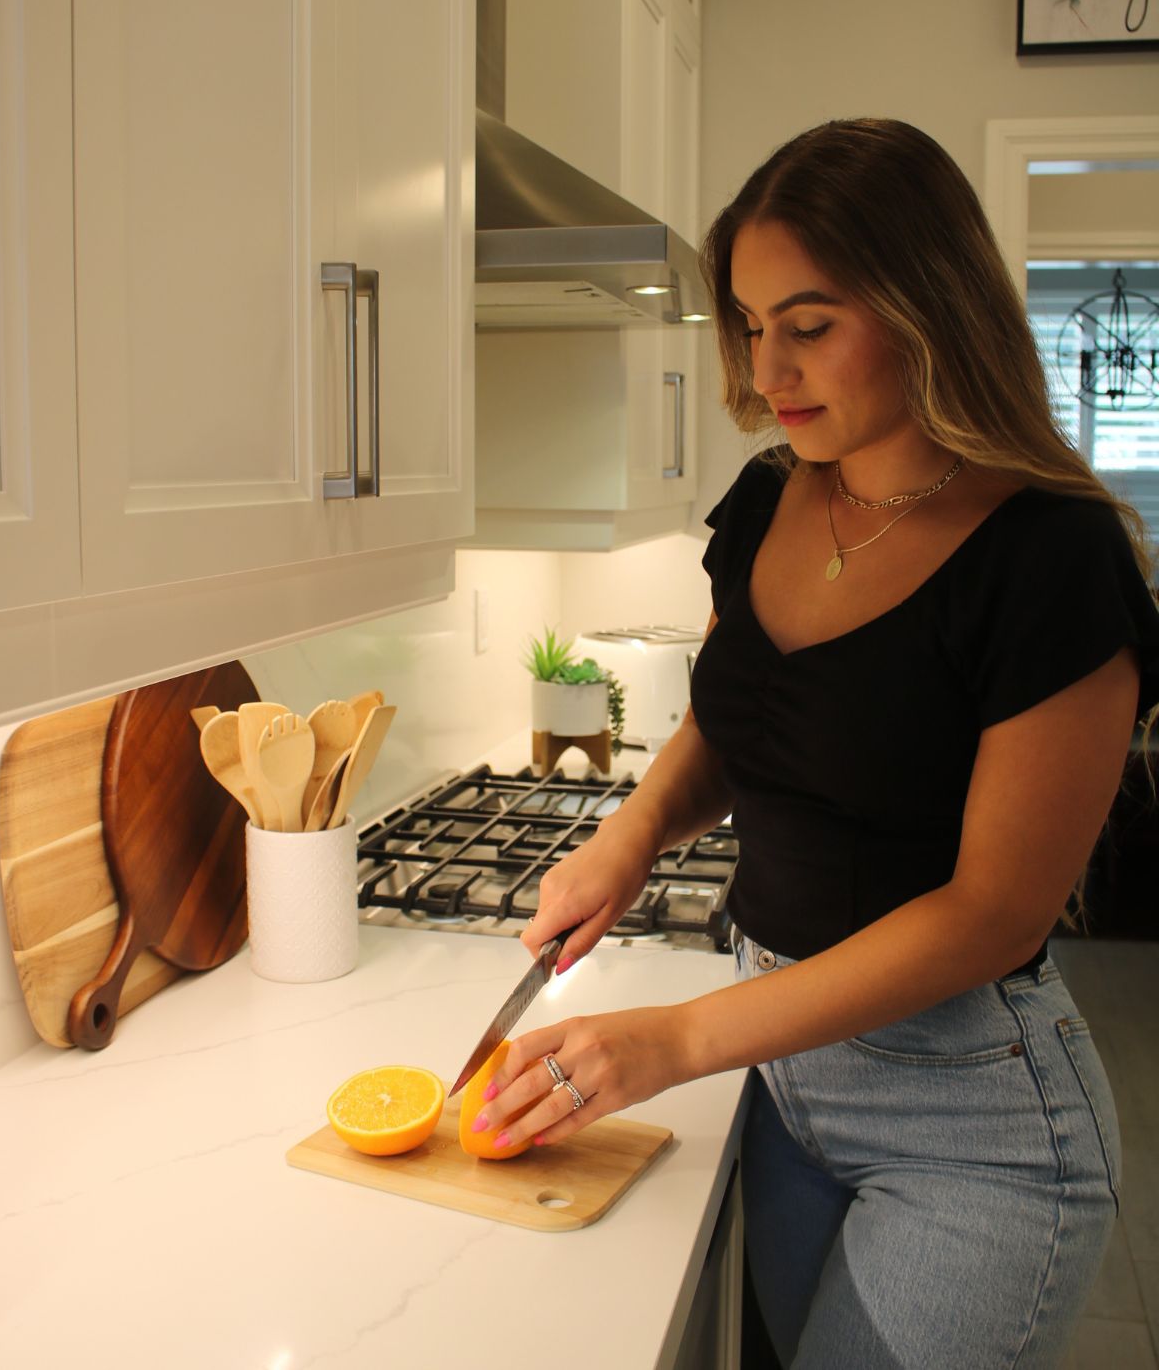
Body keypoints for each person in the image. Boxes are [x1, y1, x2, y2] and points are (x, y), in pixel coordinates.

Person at [471, 118, 1159, 1368]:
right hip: (783, 1080)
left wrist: (672, 1041)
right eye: (747, 323)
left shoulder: (1052, 558)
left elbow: (996, 914)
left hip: (975, 1123)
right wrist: (624, 845)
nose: (768, 366)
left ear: (926, 305)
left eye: (810, 322)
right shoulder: (767, 498)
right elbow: (743, 724)